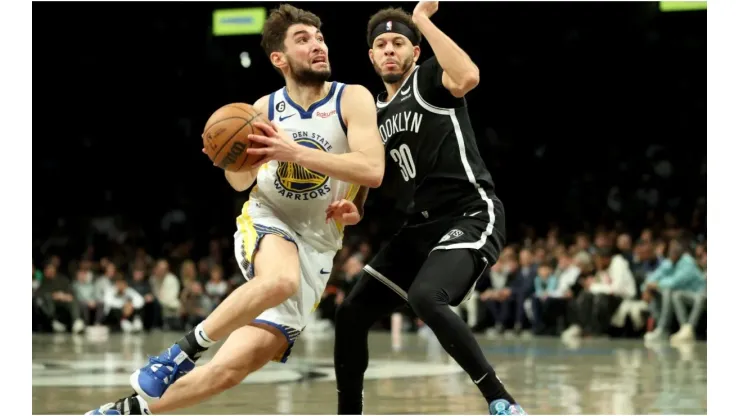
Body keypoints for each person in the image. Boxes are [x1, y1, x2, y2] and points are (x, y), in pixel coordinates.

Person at [86, 4, 384, 415]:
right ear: (279, 58)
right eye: (303, 39)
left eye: (319, 37)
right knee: (279, 280)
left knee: (228, 371)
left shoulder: (353, 98)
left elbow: (371, 169)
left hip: (319, 247)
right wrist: (232, 162)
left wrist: (354, 208)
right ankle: (179, 353)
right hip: (269, 220)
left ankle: (125, 412)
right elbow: (242, 182)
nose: (317, 45)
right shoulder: (261, 110)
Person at [331, 3, 525, 415]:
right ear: (370, 56)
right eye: (380, 44)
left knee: (426, 297)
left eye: (398, 43)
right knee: (350, 313)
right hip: (419, 228)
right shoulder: (373, 114)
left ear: (414, 52)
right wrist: (355, 209)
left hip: (469, 211)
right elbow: (368, 174)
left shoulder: (429, 78)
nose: (388, 50)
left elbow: (469, 76)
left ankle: (501, 402)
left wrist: (422, 21)